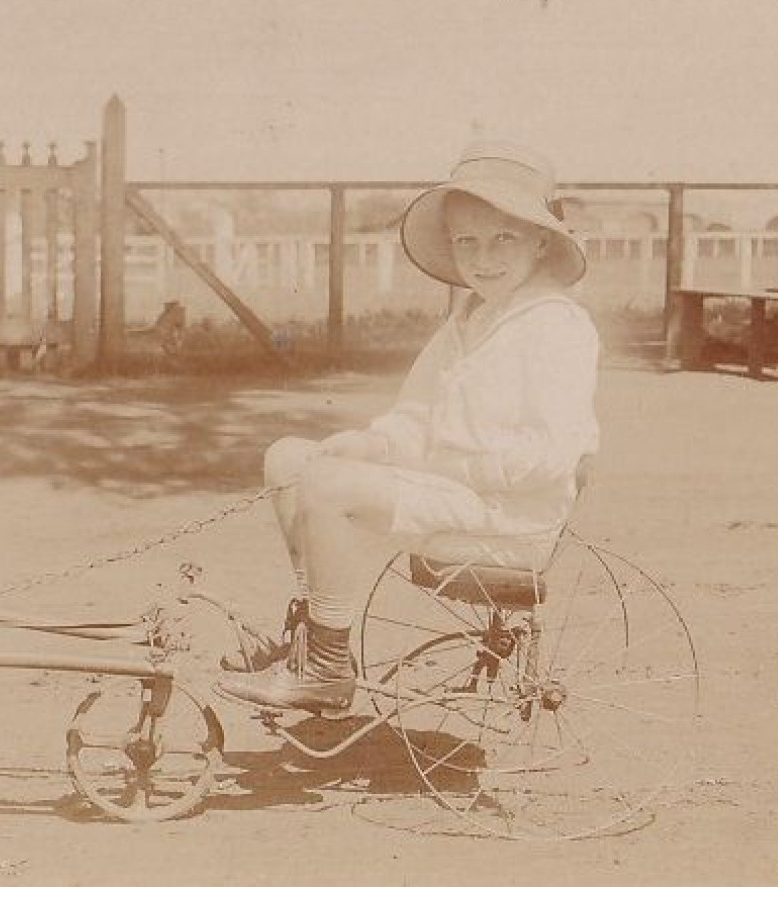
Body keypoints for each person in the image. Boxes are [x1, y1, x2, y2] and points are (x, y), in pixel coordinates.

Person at [217, 141, 600, 713]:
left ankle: (326, 669)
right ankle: (314, 629)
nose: (483, 257)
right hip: (455, 493)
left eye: (504, 238)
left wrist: (434, 462)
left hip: (508, 515)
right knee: (292, 459)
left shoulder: (555, 327)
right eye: (466, 241)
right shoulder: (469, 318)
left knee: (330, 487)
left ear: (541, 241)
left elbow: (547, 456)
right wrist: (374, 442)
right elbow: (418, 414)